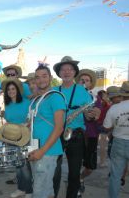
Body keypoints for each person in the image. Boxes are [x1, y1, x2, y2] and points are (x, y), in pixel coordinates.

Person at [53, 56, 93, 198]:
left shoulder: (83, 91)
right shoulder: (54, 90)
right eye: (63, 69)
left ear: (75, 72)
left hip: (76, 136)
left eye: (70, 69)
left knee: (74, 173)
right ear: (59, 73)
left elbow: (89, 115)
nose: (67, 72)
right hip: (56, 135)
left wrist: (92, 114)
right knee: (53, 170)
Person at [27, 64, 66, 198]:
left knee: (39, 190)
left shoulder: (55, 97)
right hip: (33, 147)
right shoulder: (36, 99)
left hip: (47, 150)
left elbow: (59, 127)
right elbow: (32, 124)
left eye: (44, 76)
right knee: (46, 187)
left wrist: (42, 151)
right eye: (37, 77)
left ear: (50, 77)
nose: (41, 80)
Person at [0, 78, 32, 198]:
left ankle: (29, 191)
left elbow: (31, 118)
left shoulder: (27, 102)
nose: (11, 91)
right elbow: (10, 120)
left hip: (24, 136)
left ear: (18, 90)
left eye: (13, 89)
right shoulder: (8, 104)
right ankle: (21, 188)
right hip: (12, 137)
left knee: (25, 165)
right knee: (17, 164)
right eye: (9, 89)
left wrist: (25, 124)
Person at [75, 69, 101, 194]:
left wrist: (93, 115)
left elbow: (97, 115)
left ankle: (80, 178)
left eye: (87, 80)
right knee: (75, 163)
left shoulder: (95, 98)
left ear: (91, 83)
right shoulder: (73, 96)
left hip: (91, 135)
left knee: (90, 167)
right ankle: (75, 183)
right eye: (82, 80)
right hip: (76, 134)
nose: (84, 82)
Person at [103, 81, 129, 197]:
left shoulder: (115, 108)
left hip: (118, 142)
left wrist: (117, 125)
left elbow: (106, 127)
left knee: (115, 176)